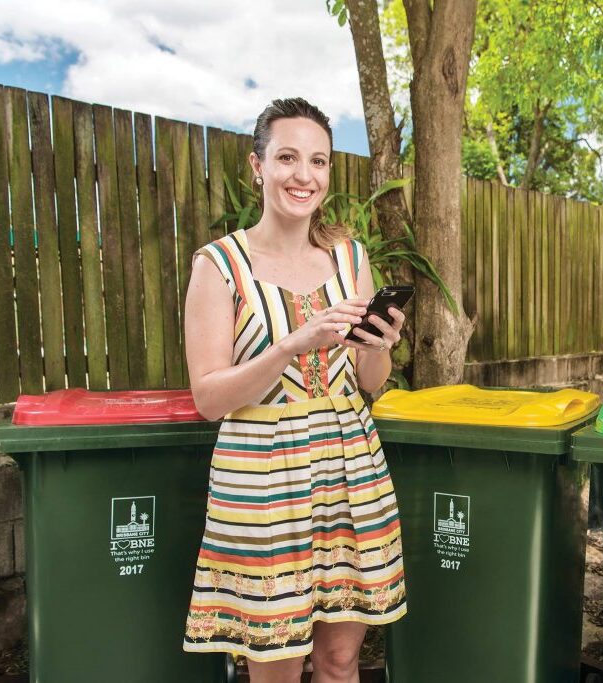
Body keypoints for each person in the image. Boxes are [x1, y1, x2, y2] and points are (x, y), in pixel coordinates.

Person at [182, 97, 407, 683]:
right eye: (287, 157)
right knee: (274, 666)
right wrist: (287, 347)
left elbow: (368, 385)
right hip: (262, 479)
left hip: (350, 468)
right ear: (257, 166)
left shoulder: (349, 257)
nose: (303, 175)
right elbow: (208, 399)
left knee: (340, 661)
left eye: (318, 161)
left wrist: (378, 343)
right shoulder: (218, 265)